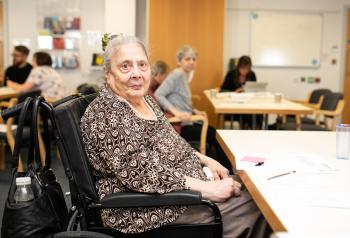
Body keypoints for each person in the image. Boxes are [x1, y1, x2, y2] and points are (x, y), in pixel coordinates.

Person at [81, 34, 270, 237]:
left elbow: (174, 142)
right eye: (125, 66)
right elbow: (141, 173)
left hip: (182, 186)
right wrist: (208, 190)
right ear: (108, 73)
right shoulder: (108, 113)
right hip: (144, 206)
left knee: (257, 190)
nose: (136, 73)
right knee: (261, 207)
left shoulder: (146, 101)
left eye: (142, 65)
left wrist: (206, 160)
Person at [155, 45, 233, 173]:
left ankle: (217, 171)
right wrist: (176, 112)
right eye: (187, 59)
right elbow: (159, 94)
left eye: (193, 59)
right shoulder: (177, 74)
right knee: (216, 136)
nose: (191, 61)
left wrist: (195, 110)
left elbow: (181, 99)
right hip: (180, 126)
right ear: (179, 61)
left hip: (187, 121)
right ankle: (227, 172)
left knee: (215, 133)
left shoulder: (184, 75)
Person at [220, 56, 262, 129]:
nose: (245, 71)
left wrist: (247, 91)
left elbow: (255, 89)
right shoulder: (231, 74)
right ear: (238, 66)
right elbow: (222, 90)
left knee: (258, 113)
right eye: (243, 69)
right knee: (247, 113)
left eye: (247, 69)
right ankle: (246, 128)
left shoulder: (252, 74)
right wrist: (234, 92)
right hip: (234, 104)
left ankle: (256, 129)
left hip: (249, 102)